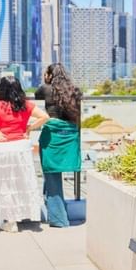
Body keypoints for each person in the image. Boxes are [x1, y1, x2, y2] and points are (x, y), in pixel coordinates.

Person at [0, 76, 49, 232]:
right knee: (21, 181)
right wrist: (29, 128)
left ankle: (10, 221)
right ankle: (21, 215)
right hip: (21, 147)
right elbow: (45, 116)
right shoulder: (25, 105)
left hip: (3, 148)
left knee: (5, 183)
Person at [35, 63, 83, 228]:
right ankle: (54, 211)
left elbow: (36, 95)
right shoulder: (75, 90)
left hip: (52, 136)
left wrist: (46, 81)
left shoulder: (45, 89)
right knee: (52, 175)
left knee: (51, 174)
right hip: (70, 135)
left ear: (49, 75)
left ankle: (59, 219)